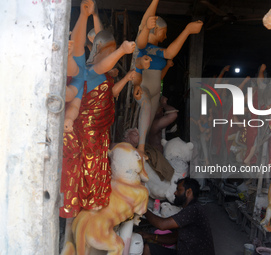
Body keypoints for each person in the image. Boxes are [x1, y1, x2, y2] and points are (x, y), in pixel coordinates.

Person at [60, 0, 136, 219]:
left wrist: (89, 16)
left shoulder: (91, 72)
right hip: (85, 128)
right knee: (85, 163)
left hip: (98, 127)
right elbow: (86, 60)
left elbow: (102, 70)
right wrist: (121, 51)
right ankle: (83, 200)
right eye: (106, 50)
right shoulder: (86, 70)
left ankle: (93, 199)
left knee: (97, 162)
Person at [132, 0, 203, 156]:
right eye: (164, 31)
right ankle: (141, 148)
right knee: (146, 108)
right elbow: (143, 37)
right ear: (156, 29)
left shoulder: (157, 50)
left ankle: (142, 149)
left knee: (148, 124)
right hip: (143, 87)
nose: (165, 36)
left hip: (156, 90)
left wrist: (166, 68)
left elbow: (163, 68)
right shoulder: (142, 48)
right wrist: (187, 30)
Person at [140, 177, 215, 255]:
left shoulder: (193, 210)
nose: (175, 193)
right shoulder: (191, 209)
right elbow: (174, 238)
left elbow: (162, 224)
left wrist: (143, 208)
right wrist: (150, 236)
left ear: (188, 192)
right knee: (148, 248)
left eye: (179, 190)